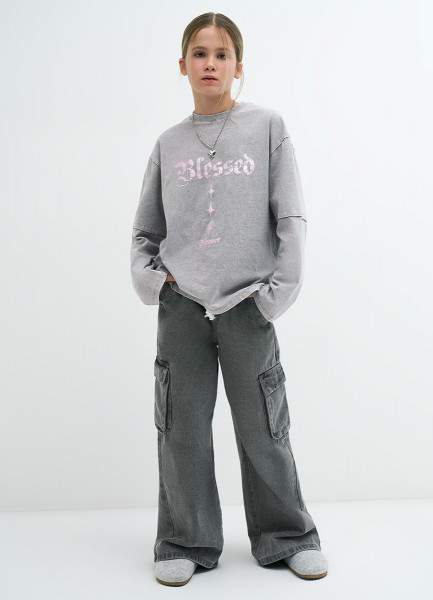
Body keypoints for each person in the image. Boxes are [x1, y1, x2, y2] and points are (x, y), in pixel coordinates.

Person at [130, 12, 329, 587]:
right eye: (200, 53)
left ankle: (288, 536)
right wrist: (155, 284)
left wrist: (274, 297)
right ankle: (184, 539)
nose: (210, 64)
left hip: (248, 304)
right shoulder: (168, 144)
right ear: (183, 65)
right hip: (183, 306)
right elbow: (145, 232)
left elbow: (290, 216)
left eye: (222, 54)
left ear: (238, 66)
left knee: (265, 427)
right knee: (182, 429)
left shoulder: (266, 127)